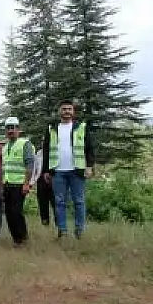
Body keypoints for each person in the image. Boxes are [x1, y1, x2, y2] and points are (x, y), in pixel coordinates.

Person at [41, 99, 95, 239]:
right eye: (64, 109)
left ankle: (80, 230)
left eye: (69, 109)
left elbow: (89, 148)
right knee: (59, 202)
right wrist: (46, 170)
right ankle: (62, 230)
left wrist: (89, 166)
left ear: (73, 111)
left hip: (77, 170)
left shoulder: (81, 127)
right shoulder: (51, 129)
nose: (66, 111)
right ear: (59, 111)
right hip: (57, 171)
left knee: (79, 201)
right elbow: (46, 150)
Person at [1, 117, 35, 246]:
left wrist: (26, 183)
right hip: (7, 183)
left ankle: (22, 237)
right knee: (9, 213)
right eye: (8, 128)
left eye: (13, 127)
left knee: (16, 211)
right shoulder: (5, 147)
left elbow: (29, 165)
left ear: (18, 129)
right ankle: (16, 238)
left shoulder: (24, 144)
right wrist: (2, 185)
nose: (10, 131)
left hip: (19, 184)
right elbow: (4, 168)